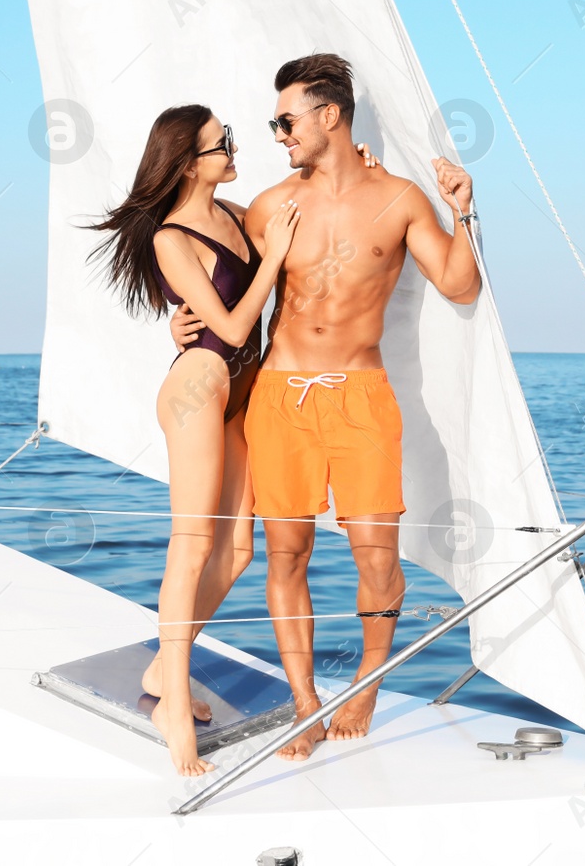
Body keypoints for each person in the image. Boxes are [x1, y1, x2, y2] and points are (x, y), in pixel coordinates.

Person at [172, 54, 479, 760]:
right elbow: (219, 283)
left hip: (363, 399)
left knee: (378, 558)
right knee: (288, 552)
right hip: (280, 398)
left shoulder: (400, 199)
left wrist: (464, 210)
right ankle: (306, 699)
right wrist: (178, 319)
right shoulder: (270, 206)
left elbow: (459, 284)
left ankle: (369, 676)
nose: (278, 133)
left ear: (329, 115)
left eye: (286, 120)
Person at [91, 105, 300, 776]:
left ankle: (161, 664)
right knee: (194, 542)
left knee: (237, 548)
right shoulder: (170, 240)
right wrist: (275, 260)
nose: (234, 149)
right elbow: (234, 327)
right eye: (221, 144)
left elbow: (306, 203)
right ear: (187, 162)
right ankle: (172, 703)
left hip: (238, 393)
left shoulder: (236, 213)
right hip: (198, 387)